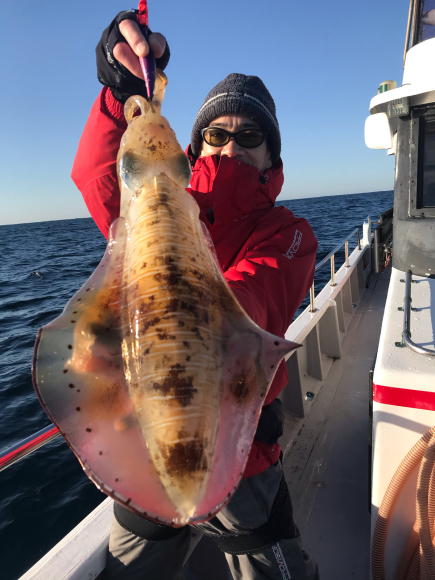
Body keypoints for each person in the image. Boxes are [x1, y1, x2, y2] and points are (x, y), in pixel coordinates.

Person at [72, 10, 319, 580]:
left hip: (244, 450)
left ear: (271, 158)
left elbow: (254, 297)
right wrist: (120, 93)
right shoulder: (148, 208)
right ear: (194, 146)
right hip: (150, 433)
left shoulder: (289, 233)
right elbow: (100, 177)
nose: (231, 147)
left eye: (249, 136)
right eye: (216, 134)